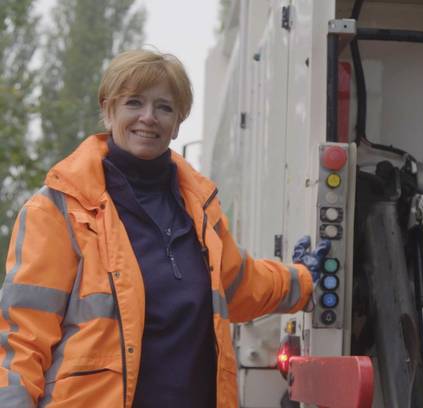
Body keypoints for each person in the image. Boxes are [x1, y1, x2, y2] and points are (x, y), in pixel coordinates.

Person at [0, 49, 330, 407]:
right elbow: (22, 339)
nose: (148, 118)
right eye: (134, 103)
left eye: (164, 107)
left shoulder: (199, 207)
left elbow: (238, 284)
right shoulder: (59, 208)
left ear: (178, 123)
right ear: (108, 110)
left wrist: (304, 281)